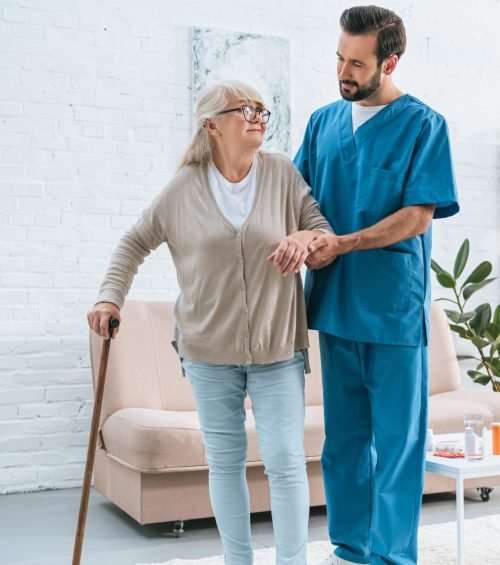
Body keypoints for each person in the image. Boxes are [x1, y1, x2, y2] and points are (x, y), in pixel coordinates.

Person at [87, 79, 333, 565]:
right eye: (246, 109)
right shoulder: (184, 188)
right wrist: (109, 297)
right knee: (225, 464)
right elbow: (134, 242)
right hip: (207, 352)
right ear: (212, 125)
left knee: (285, 463)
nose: (259, 117)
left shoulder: (282, 174)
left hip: (278, 348)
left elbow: (322, 231)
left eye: (263, 109)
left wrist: (306, 239)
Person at [293, 6, 459, 565]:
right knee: (342, 444)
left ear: (388, 62)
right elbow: (298, 199)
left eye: (356, 62)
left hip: (392, 309)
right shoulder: (322, 123)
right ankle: (351, 549)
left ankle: (391, 558)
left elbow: (417, 216)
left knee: (397, 444)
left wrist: (342, 243)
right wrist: (305, 239)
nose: (343, 70)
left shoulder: (423, 125)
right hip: (336, 308)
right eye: (339, 58)